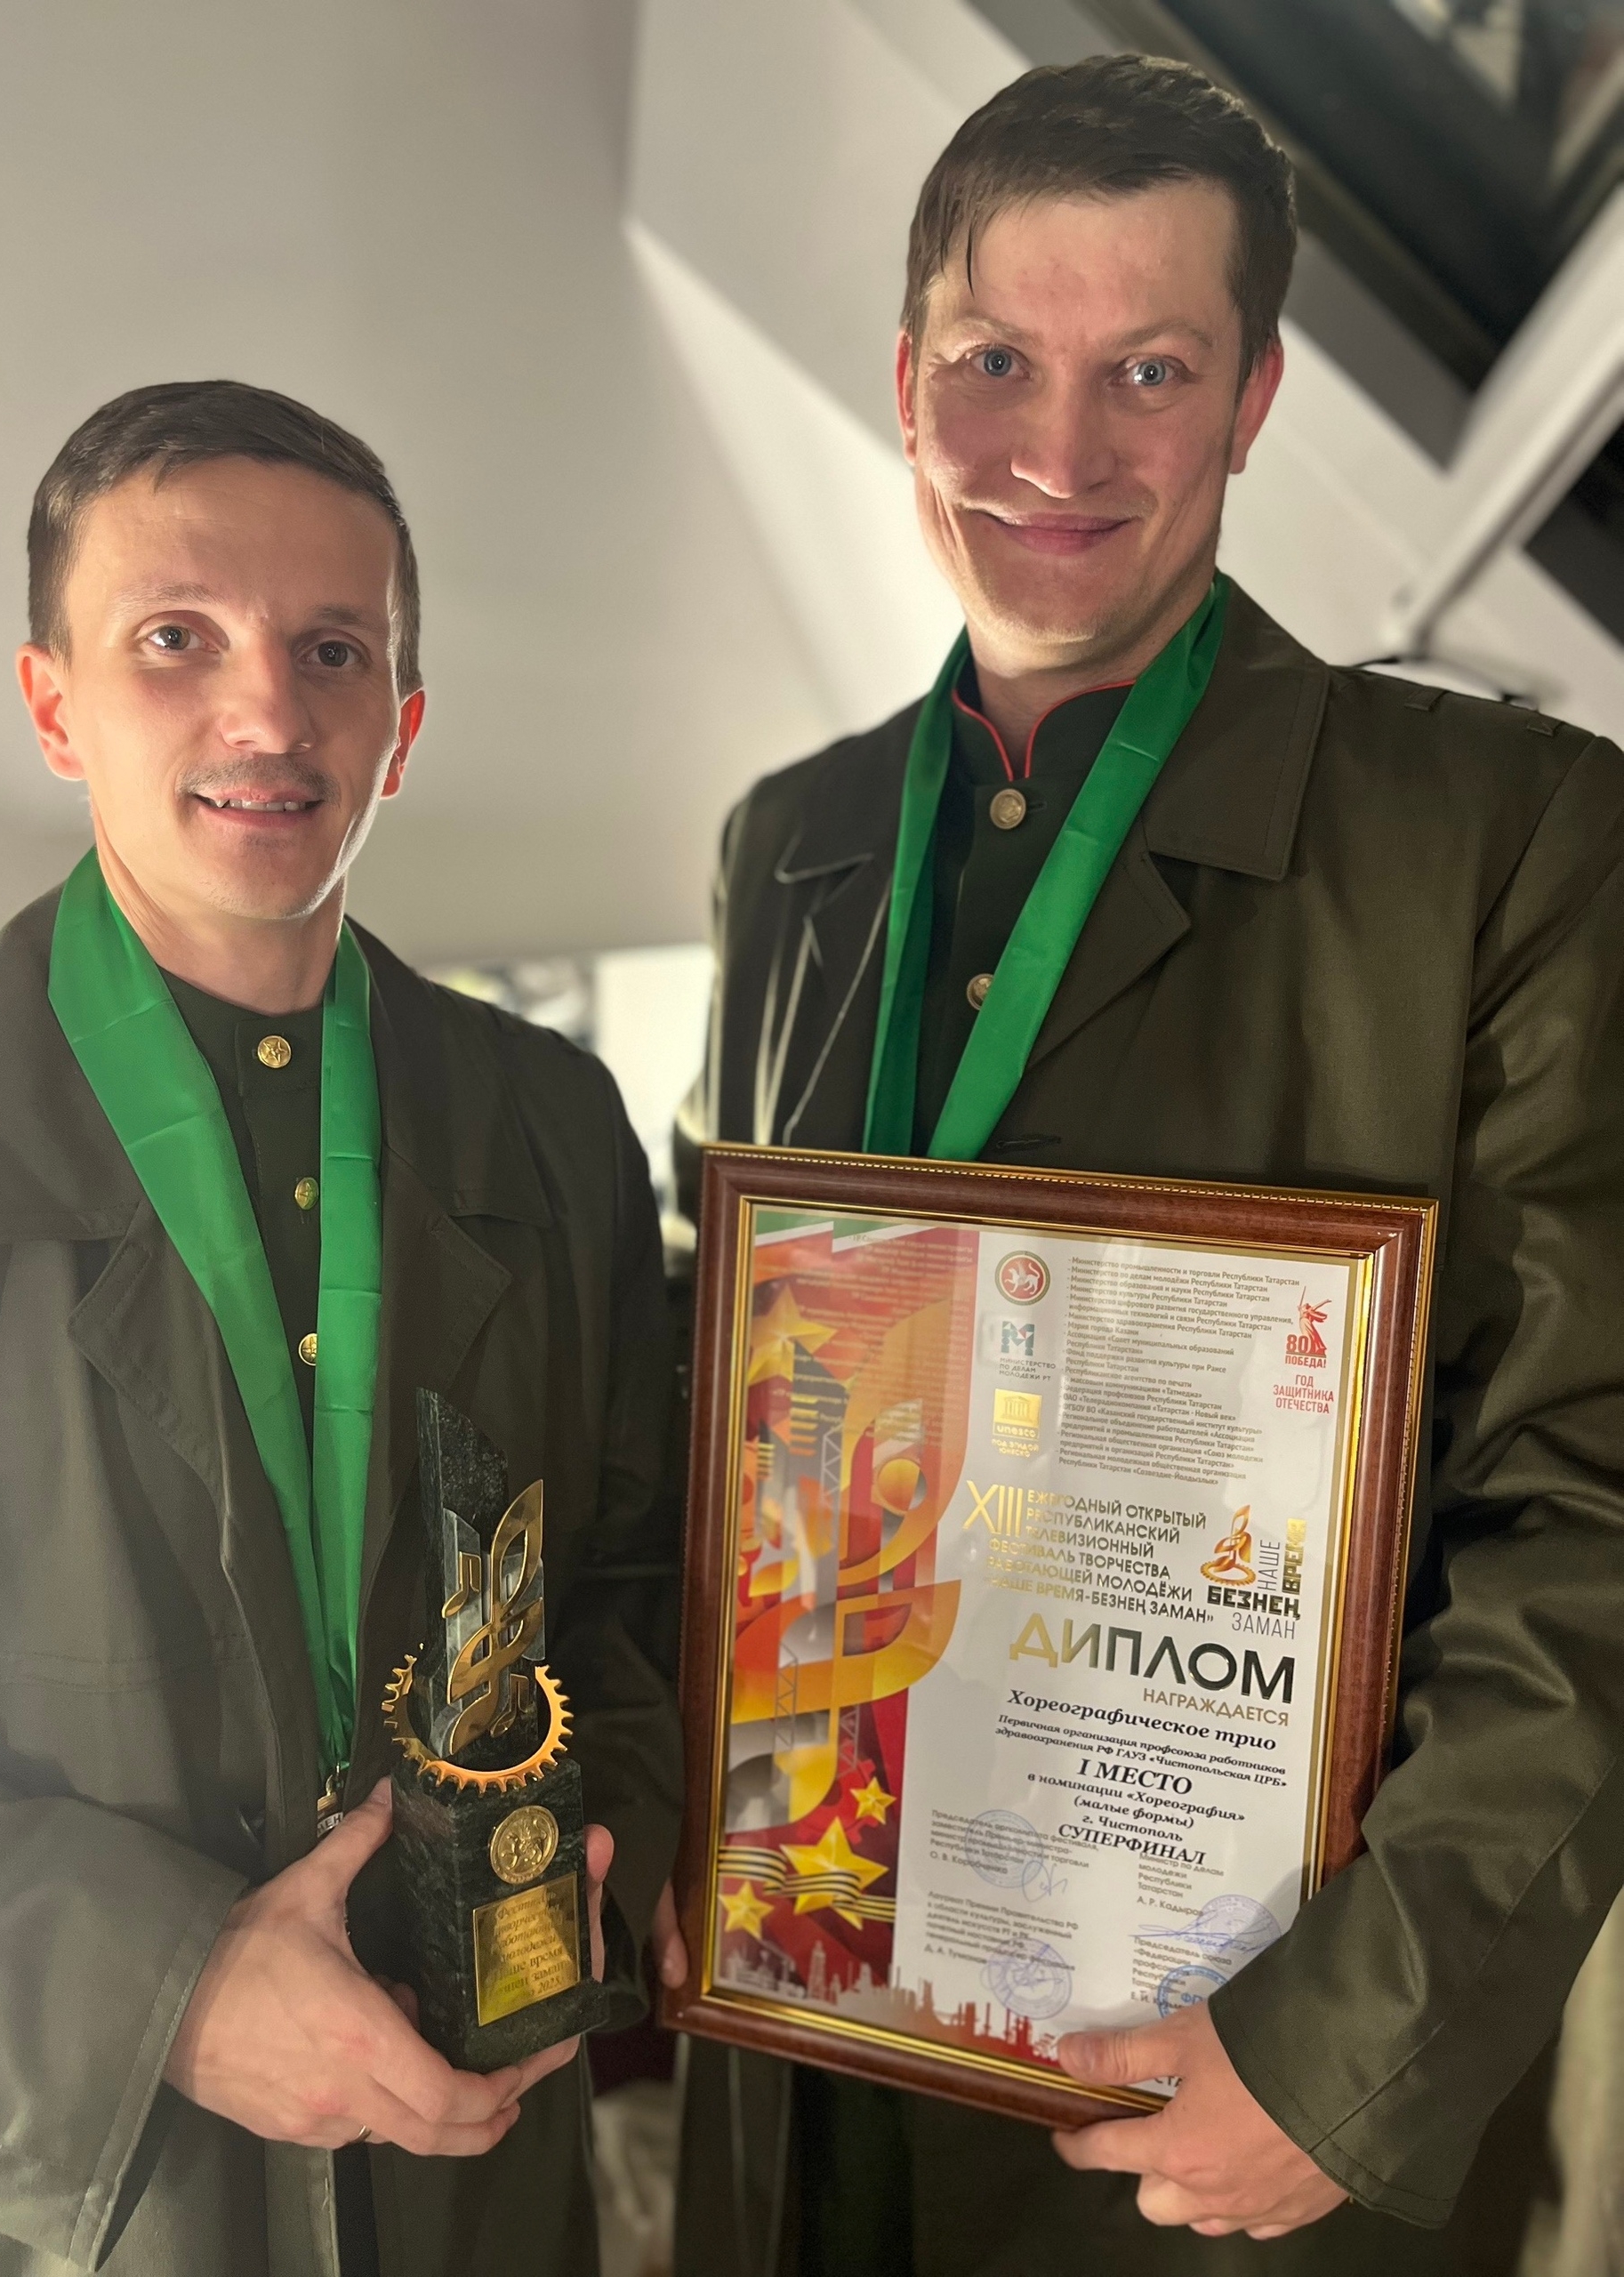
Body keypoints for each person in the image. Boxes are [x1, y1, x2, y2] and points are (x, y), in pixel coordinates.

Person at [662, 54, 1624, 2277]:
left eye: (1150, 371)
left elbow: (1591, 1507)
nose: (1059, 450)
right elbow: (728, 1378)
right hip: (814, 2034)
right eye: (997, 361)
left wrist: (1348, 2054)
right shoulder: (790, 845)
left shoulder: (1507, 837)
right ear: (907, 381)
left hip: (1224, 2103)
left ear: (1256, 399)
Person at [0, 380, 681, 2276]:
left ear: (402, 722)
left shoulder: (550, 1124)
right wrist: (167, 1991)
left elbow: (632, 1584)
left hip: (479, 2162)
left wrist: (610, 1841)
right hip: (83, 2202)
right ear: (53, 705)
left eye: (333, 650)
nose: (269, 715)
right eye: (176, 639)